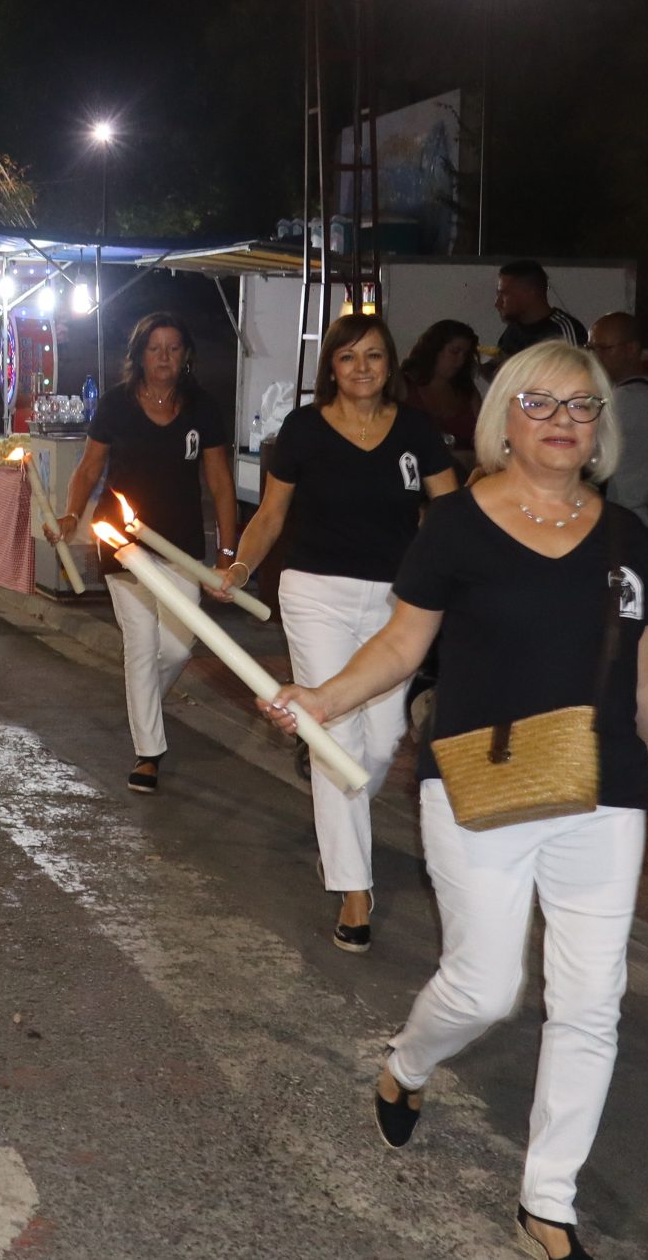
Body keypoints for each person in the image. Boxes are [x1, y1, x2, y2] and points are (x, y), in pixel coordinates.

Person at [269, 340, 648, 1260]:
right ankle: (409, 1061)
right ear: (505, 418)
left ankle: (548, 1200)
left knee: (592, 1001)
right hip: (479, 782)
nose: (562, 421)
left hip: (606, 787)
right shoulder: (456, 525)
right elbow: (401, 643)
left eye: (581, 406)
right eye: (541, 403)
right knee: (487, 987)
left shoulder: (627, 535)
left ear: (601, 427)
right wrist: (324, 699)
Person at [226, 312, 459, 950]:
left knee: (380, 742)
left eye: (374, 356)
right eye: (349, 356)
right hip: (315, 595)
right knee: (336, 740)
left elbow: (451, 509)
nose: (362, 368)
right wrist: (240, 567)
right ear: (331, 365)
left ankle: (338, 819)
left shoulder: (416, 430)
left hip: (397, 603)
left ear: (391, 365)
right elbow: (271, 514)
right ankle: (354, 889)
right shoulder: (303, 429)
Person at [54, 312, 238, 795]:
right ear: (138, 355)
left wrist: (227, 553)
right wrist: (72, 514)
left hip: (180, 546)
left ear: (186, 356)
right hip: (122, 543)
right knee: (140, 642)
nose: (164, 358)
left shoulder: (202, 408)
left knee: (178, 646)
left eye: (173, 349)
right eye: (155, 349)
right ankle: (148, 753)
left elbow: (221, 483)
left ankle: (143, 703)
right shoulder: (116, 404)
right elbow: (89, 469)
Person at [585, 313, 648, 531]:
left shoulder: (629, 397)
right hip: (628, 516)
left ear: (631, 349)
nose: (595, 357)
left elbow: (586, 451)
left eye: (604, 348)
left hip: (623, 519)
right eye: (591, 348)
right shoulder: (642, 389)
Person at [399, 319, 482, 473]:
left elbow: (485, 437)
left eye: (465, 355)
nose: (460, 360)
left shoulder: (467, 390)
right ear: (434, 349)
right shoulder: (404, 386)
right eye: (455, 352)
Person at [491, 259, 586, 370]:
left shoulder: (563, 331)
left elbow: (574, 375)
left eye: (505, 294)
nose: (497, 303)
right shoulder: (514, 329)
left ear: (530, 293)